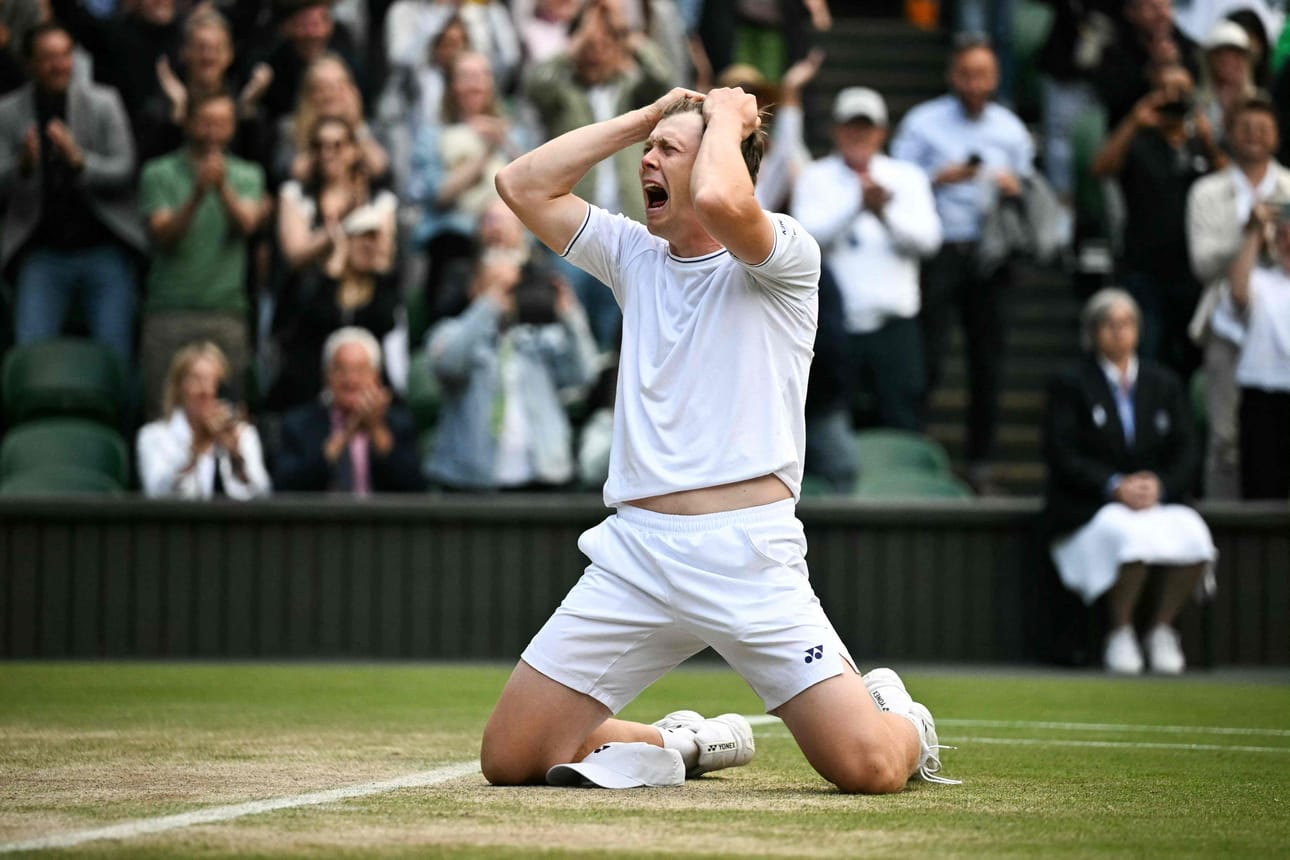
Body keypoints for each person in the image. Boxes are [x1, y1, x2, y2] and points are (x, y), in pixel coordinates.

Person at [480, 85, 955, 793]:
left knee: (872, 770)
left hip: (748, 558)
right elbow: (520, 184)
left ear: (722, 158)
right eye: (649, 152)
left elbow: (727, 205)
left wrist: (728, 120)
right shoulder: (633, 254)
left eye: (668, 152)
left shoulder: (787, 253)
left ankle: (900, 716)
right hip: (636, 556)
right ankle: (690, 741)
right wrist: (647, 120)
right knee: (511, 758)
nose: (649, 162)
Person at [1041, 288, 1215, 674]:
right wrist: (1114, 485)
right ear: (1093, 332)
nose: (1119, 333)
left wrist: (1160, 486)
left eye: (1127, 324)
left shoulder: (1164, 383)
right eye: (1109, 325)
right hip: (1092, 507)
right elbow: (1062, 453)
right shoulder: (1070, 383)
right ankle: (1120, 630)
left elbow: (1187, 450)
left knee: (1195, 535)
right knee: (1128, 538)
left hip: (1156, 503)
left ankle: (1160, 628)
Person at [890, 34, 1033, 495]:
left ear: (995, 77)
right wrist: (937, 177)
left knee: (988, 359)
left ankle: (981, 462)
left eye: (984, 74)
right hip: (940, 249)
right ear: (953, 75)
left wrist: (1016, 187)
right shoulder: (922, 122)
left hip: (992, 251)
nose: (975, 83)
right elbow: (894, 179)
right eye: (967, 74)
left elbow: (1031, 185)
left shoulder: (1010, 129)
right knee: (927, 355)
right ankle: (915, 451)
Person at [791, 86, 941, 492]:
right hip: (835, 331)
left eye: (866, 128)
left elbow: (929, 241)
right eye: (850, 127)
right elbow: (806, 238)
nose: (858, 135)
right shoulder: (816, 176)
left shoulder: (906, 177)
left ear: (881, 133)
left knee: (903, 420)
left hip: (895, 327)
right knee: (833, 427)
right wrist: (858, 204)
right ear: (836, 130)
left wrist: (884, 212)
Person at [521, 0, 671, 348]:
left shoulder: (631, 90)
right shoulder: (561, 91)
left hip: (628, 224)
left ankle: (604, 389)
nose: (597, 52)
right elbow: (535, 84)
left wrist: (627, 35)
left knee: (618, 325)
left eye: (606, 43)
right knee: (570, 318)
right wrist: (576, 40)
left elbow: (663, 77)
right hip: (572, 224)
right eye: (591, 45)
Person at [0, 22, 147, 374]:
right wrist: (21, 166)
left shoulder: (103, 102)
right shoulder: (8, 111)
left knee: (114, 359)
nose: (58, 65)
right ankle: (31, 428)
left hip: (103, 248)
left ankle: (118, 427)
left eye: (64, 56)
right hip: (43, 251)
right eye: (48, 58)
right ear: (31, 63)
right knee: (30, 356)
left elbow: (125, 169)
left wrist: (81, 163)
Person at [424, 201, 600, 491]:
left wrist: (570, 317)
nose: (504, 297)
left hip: (544, 479)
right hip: (470, 483)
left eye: (510, 288)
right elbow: (448, 364)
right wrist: (488, 306)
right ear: (474, 289)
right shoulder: (451, 332)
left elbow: (583, 374)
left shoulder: (540, 334)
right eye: (494, 286)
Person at [137, 90, 271, 418]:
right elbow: (163, 236)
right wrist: (196, 195)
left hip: (226, 310)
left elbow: (247, 224)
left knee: (230, 413)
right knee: (161, 413)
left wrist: (222, 187)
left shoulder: (248, 175)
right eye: (206, 122)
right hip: (169, 309)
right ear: (187, 123)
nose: (213, 131)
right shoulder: (158, 173)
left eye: (222, 123)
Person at [1092, 61, 1226, 381]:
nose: (1173, 97)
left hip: (1193, 273)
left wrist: (1208, 141)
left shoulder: (1201, 145)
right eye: (1164, 90)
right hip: (1144, 270)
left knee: (1194, 363)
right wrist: (1133, 122)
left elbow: (1232, 186)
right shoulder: (1138, 141)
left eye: (1181, 91)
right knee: (1148, 359)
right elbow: (1101, 168)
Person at [1185, 95, 1290, 499]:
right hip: (1228, 321)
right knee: (1224, 438)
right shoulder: (1206, 192)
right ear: (1229, 133)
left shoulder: (1287, 186)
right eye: (1245, 127)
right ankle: (1224, 525)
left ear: (1277, 136)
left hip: (1282, 325)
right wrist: (1246, 234)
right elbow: (1202, 262)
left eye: (1263, 128)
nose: (1254, 136)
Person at [273, 326, 426, 493]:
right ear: (327, 376)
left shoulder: (398, 424)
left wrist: (377, 431)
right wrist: (344, 434)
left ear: (376, 377)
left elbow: (416, 488)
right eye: (341, 370)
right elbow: (284, 486)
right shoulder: (299, 425)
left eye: (360, 370)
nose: (351, 380)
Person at [137, 340, 272, 499]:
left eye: (213, 381)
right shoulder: (153, 436)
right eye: (196, 379)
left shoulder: (244, 434)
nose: (206, 390)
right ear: (179, 387)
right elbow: (156, 494)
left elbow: (263, 495)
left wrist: (236, 457)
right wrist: (192, 455)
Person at [1227, 196, 1290, 499]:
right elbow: (1238, 292)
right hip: (1262, 396)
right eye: (1283, 235)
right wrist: (1254, 231)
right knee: (1262, 485)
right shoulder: (1261, 281)